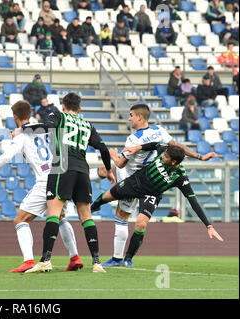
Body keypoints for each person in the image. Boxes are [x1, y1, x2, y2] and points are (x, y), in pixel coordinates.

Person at [93, 104, 218, 267]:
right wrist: (199, 156)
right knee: (111, 200)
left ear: (139, 117)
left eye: (131, 115)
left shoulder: (133, 139)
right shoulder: (160, 131)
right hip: (141, 179)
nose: (129, 118)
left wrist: (114, 156)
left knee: (123, 217)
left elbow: (122, 164)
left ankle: (120, 258)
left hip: (135, 178)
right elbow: (174, 146)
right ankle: (94, 214)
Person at [0, 100, 84, 273]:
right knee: (60, 216)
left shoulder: (22, 135)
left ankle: (28, 260)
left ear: (15, 117)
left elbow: (7, 157)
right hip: (60, 176)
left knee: (20, 220)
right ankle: (74, 257)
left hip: (45, 180)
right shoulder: (42, 128)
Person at [19, 92, 116, 273]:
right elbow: (103, 148)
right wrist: (108, 170)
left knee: (54, 213)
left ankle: (45, 260)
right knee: (86, 216)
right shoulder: (87, 124)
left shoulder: (58, 115)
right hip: (83, 169)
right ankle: (96, 263)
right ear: (79, 109)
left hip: (61, 165)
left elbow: (47, 127)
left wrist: (24, 129)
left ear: (63, 106)